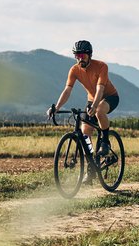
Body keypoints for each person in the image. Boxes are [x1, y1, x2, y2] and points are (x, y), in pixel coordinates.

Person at [47, 40, 120, 181]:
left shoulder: (101, 66)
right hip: (92, 100)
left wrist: (95, 105)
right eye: (77, 55)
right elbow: (67, 90)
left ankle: (105, 141)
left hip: (110, 97)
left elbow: (100, 89)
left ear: (89, 55)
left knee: (99, 111)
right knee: (85, 133)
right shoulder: (74, 70)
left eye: (82, 55)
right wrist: (57, 107)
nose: (80, 58)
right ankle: (91, 168)